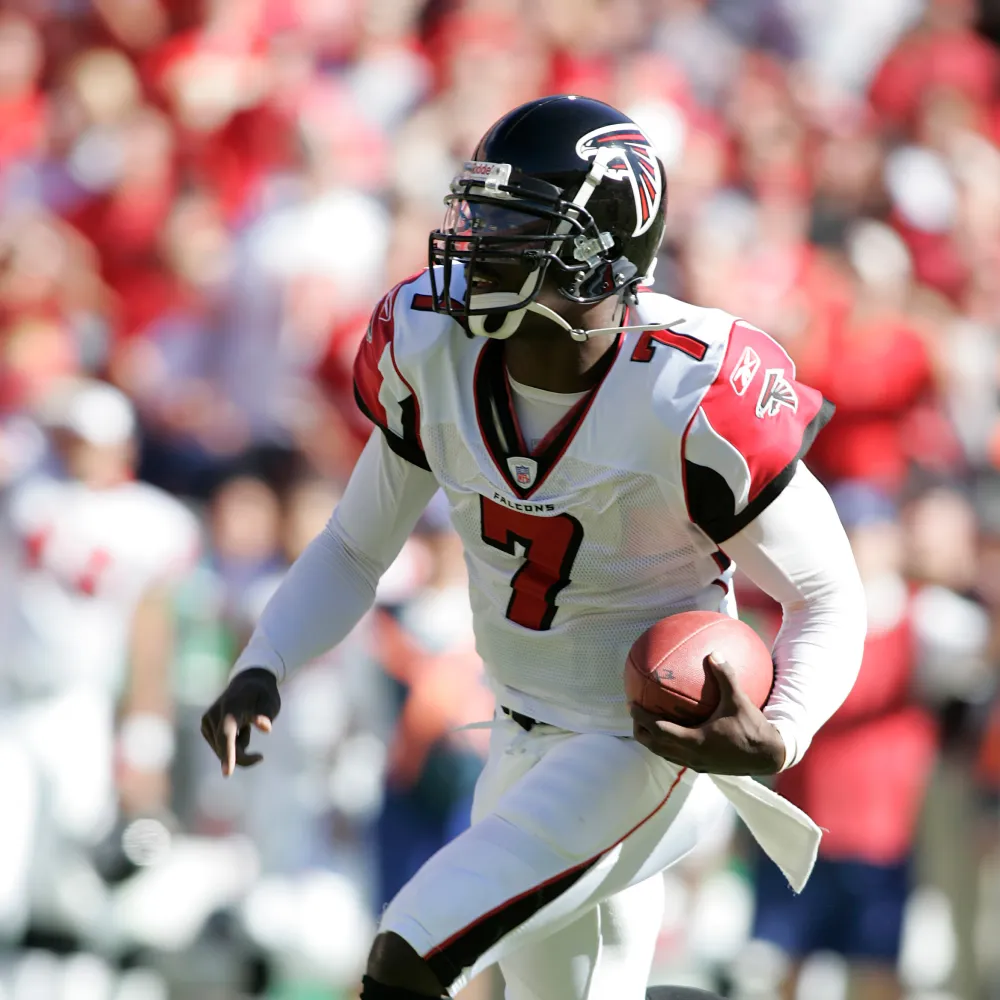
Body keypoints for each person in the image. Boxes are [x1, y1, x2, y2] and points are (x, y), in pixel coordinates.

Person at [201, 95, 867, 1000]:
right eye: (477, 214)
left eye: (517, 223)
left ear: (602, 253)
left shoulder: (692, 390)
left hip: (646, 746)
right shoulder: (430, 343)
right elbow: (358, 547)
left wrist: (782, 731)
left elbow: (827, 591)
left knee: (409, 953)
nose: (475, 242)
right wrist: (266, 661)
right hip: (515, 736)